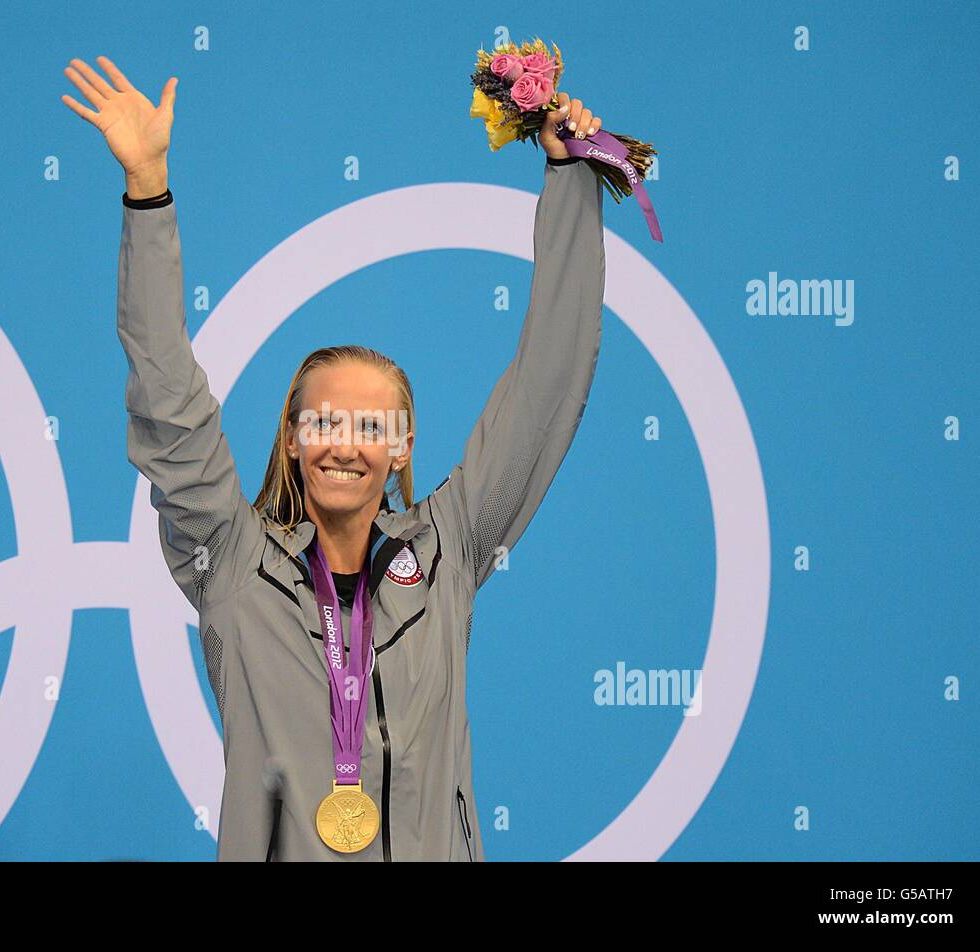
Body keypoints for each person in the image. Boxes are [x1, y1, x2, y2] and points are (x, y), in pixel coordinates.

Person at [62, 55, 605, 861]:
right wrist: (149, 191)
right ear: (291, 437)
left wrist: (570, 183)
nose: (345, 441)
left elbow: (547, 388)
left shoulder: (447, 550)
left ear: (401, 449)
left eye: (369, 425)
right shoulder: (232, 563)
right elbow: (168, 399)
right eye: (323, 421)